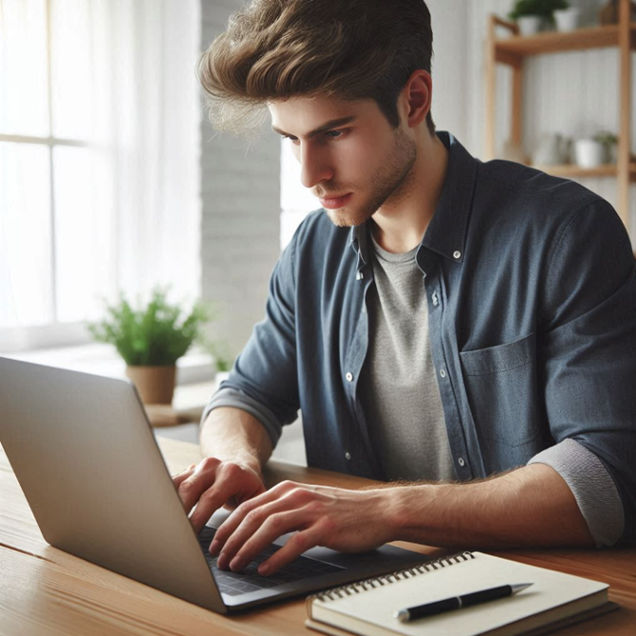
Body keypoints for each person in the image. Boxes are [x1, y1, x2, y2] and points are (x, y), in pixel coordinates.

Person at [174, 0, 636, 577]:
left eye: (334, 133)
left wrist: (387, 510)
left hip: (527, 588)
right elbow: (245, 395)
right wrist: (233, 456)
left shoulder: (564, 234)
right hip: (358, 587)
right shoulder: (314, 249)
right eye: (290, 139)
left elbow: (606, 476)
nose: (308, 174)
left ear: (414, 100)